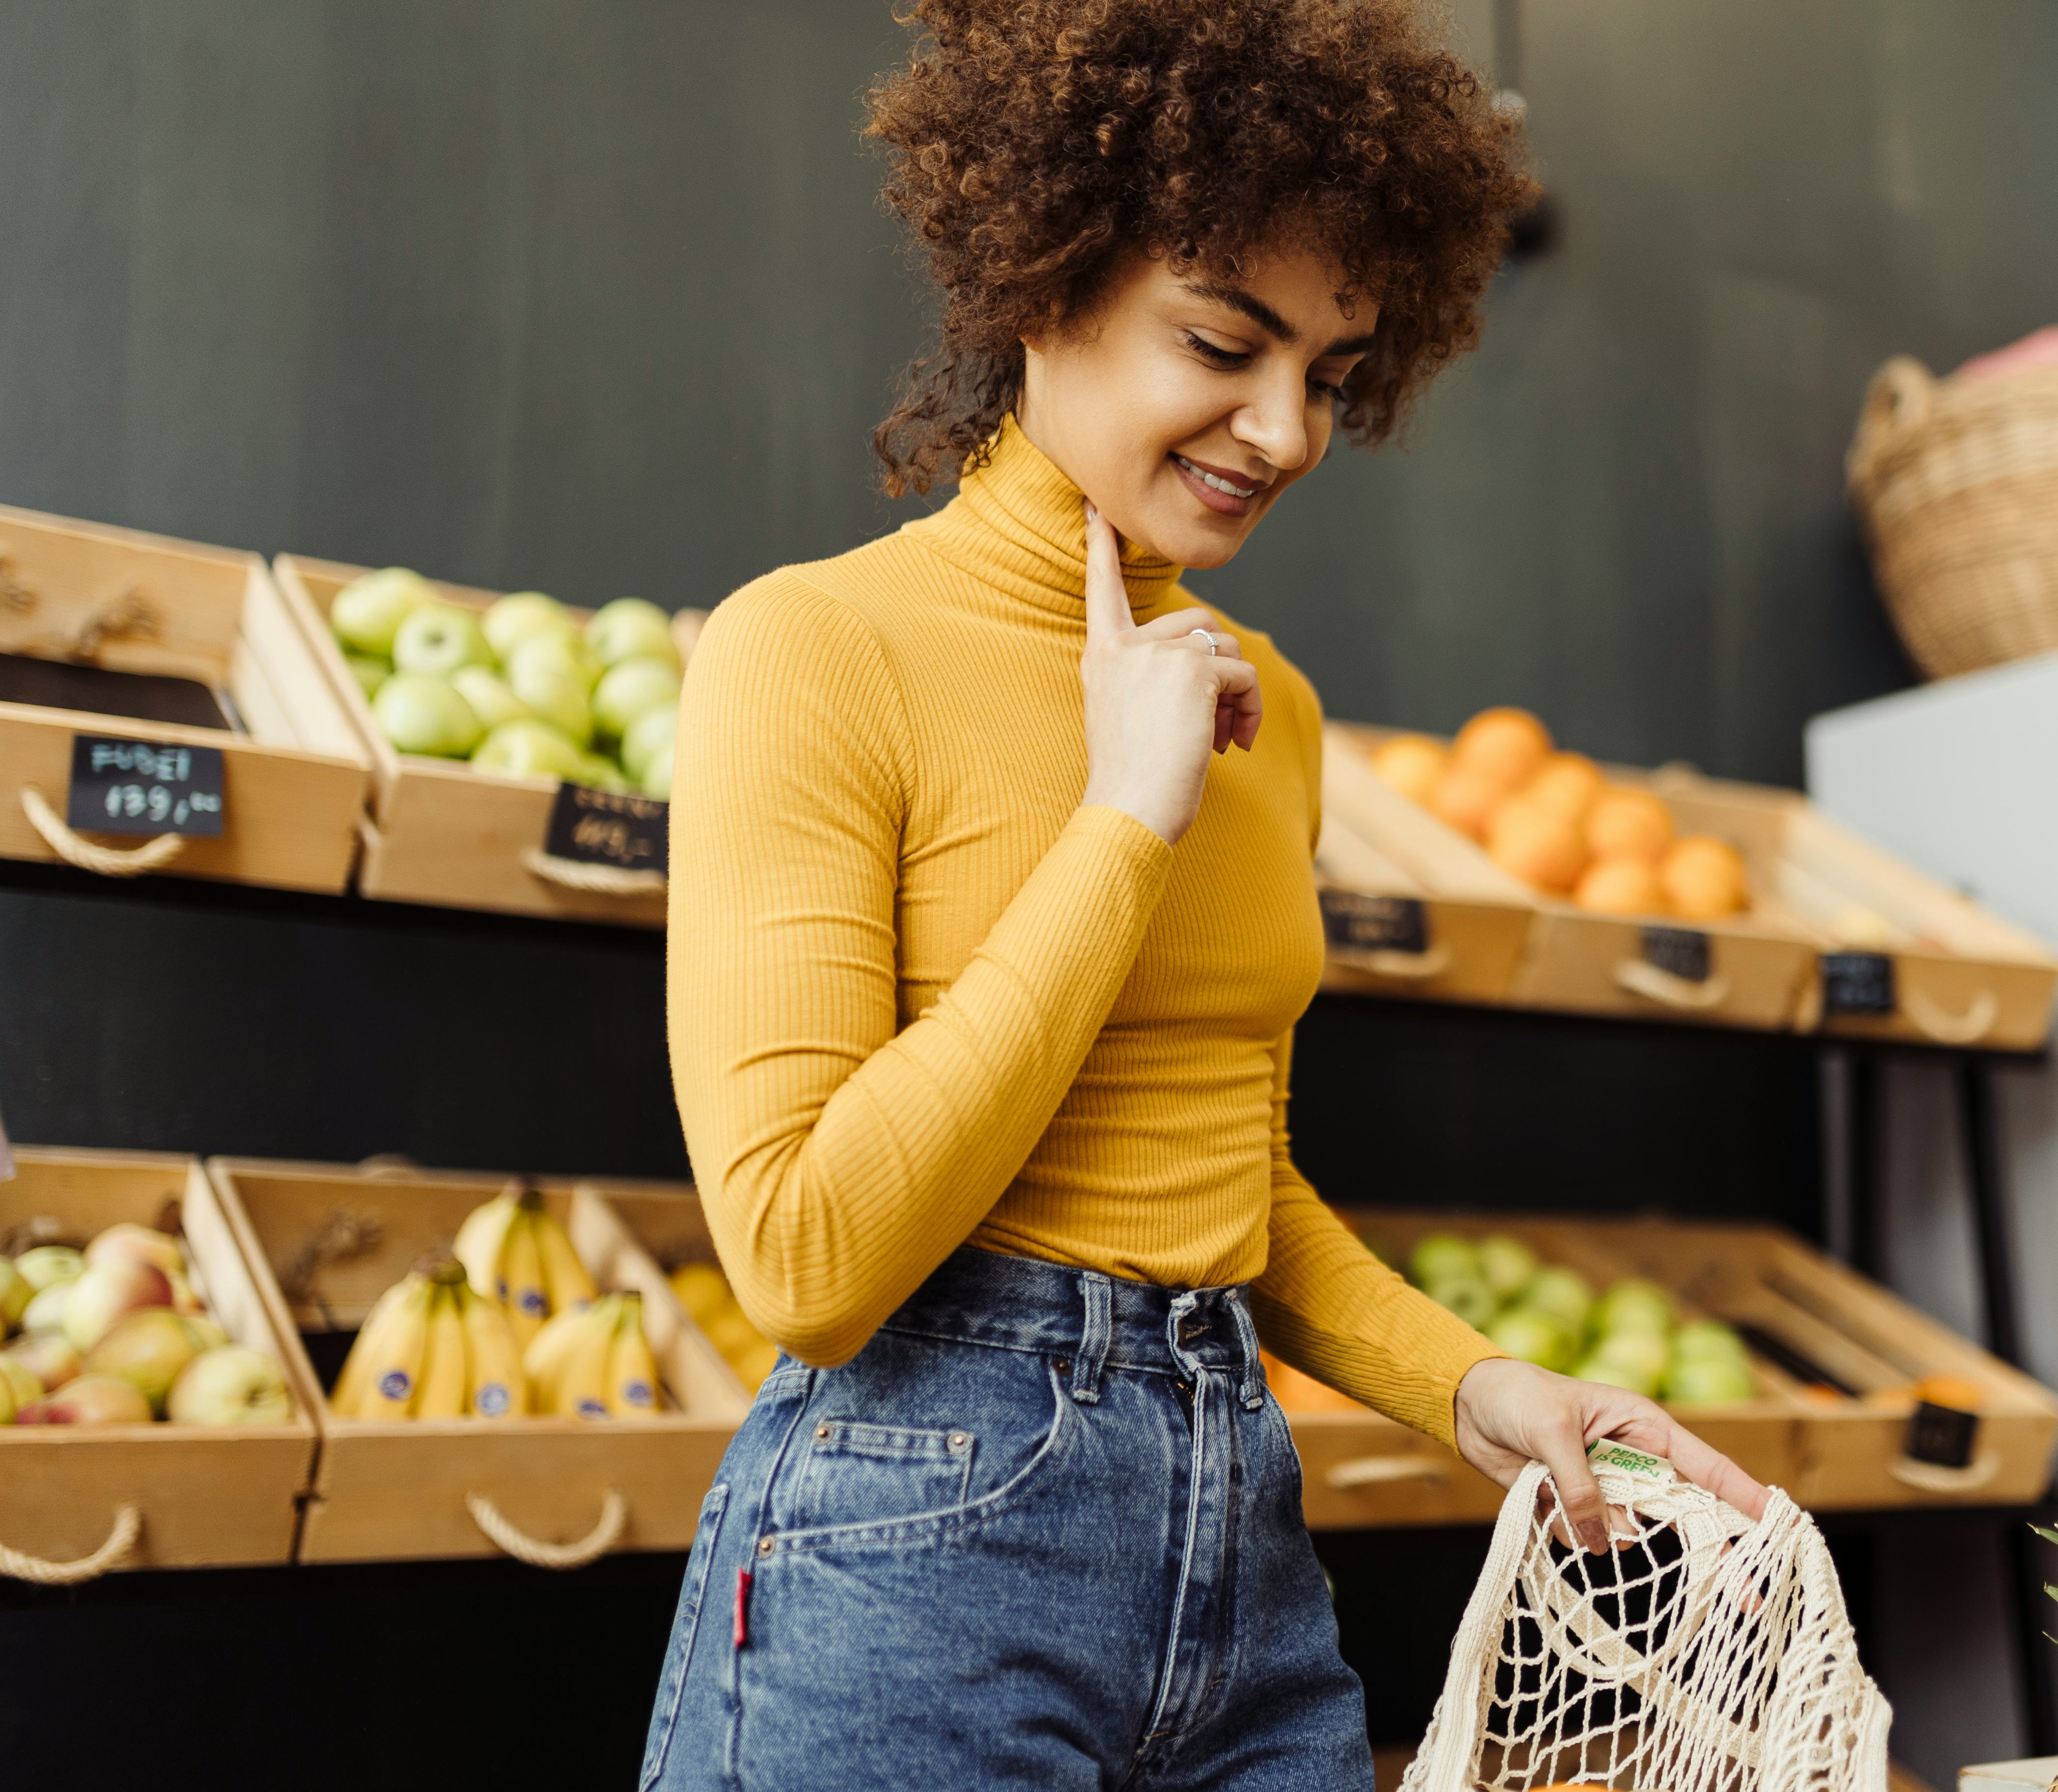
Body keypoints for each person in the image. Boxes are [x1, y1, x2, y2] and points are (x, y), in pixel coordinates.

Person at [642, 0, 1765, 1785]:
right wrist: (1124, 817)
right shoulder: (818, 650)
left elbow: (1218, 1177)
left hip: (1234, 1531)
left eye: (1330, 370)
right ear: (1044, 277)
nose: (1287, 428)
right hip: (913, 1532)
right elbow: (807, 1260)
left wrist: (1486, 1393)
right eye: (1223, 343)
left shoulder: (1270, 709)